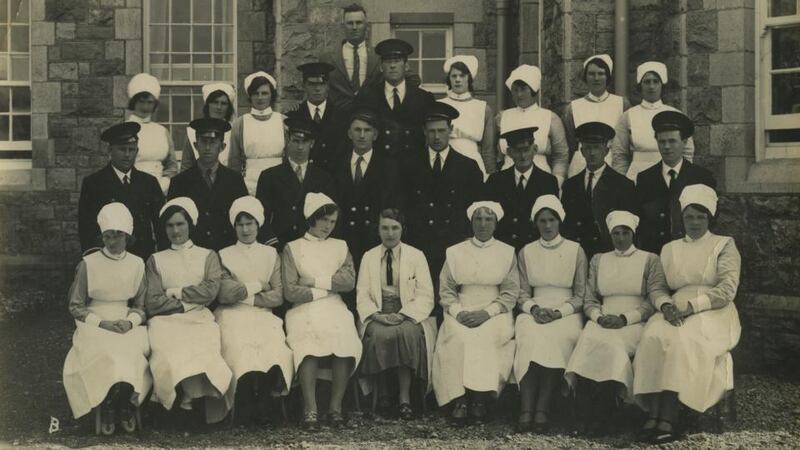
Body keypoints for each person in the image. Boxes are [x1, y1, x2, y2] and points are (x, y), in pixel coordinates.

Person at [633, 185, 741, 444]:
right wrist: (666, 306)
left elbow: (727, 289)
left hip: (713, 311)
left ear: (710, 218)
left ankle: (670, 416)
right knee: (653, 336)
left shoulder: (723, 245)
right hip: (673, 308)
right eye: (689, 217)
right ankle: (653, 412)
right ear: (681, 218)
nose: (694, 222)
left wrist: (691, 307)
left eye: (700, 217)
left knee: (682, 341)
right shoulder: (669, 248)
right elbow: (657, 286)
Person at [564, 210, 668, 436]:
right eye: (616, 233)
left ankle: (603, 414)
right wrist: (599, 317)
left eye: (625, 232)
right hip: (602, 318)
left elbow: (652, 300)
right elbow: (589, 299)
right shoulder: (599, 259)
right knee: (587, 342)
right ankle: (583, 416)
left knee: (612, 347)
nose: (620, 238)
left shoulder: (650, 259)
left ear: (633, 233)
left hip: (633, 321)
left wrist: (624, 319)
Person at [63, 203, 152, 435]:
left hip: (124, 320)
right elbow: (76, 305)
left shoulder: (137, 264)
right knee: (107, 352)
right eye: (108, 236)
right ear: (102, 236)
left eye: (119, 235)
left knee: (133, 351)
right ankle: (107, 403)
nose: (113, 242)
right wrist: (101, 323)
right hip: (94, 322)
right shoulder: (88, 264)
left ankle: (125, 402)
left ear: (128, 235)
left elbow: (141, 306)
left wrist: (129, 322)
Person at [145, 197, 233, 425]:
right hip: (166, 320)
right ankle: (174, 403)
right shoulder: (156, 260)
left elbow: (210, 292)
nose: (175, 230)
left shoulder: (207, 255)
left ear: (190, 224)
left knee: (202, 344)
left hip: (199, 318)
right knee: (168, 346)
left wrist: (174, 292)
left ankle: (194, 400)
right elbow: (153, 302)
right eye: (170, 226)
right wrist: (186, 303)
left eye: (180, 224)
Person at [432, 201, 518, 424]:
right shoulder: (455, 252)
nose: (483, 224)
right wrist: (458, 312)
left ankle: (480, 398)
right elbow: (446, 289)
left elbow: (510, 292)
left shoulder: (507, 252)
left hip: (494, 310)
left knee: (486, 335)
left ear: (496, 223)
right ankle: (459, 398)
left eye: (488, 219)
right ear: (471, 222)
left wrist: (487, 313)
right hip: (462, 306)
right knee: (457, 336)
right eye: (478, 219)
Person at [282, 192, 362, 429]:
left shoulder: (340, 246)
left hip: (334, 306)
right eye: (324, 220)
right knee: (308, 341)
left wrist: (313, 281)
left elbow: (348, 282)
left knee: (344, 337)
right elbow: (290, 291)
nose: (328, 226)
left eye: (333, 221)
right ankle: (311, 409)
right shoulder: (293, 248)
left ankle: (335, 408)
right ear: (311, 218)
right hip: (303, 308)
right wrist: (326, 288)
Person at [213, 196, 294, 425]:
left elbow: (278, 296)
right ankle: (245, 401)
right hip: (231, 313)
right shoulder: (224, 254)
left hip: (263, 314)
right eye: (240, 224)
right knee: (239, 344)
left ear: (258, 224)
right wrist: (259, 287)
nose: (245, 229)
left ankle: (266, 403)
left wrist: (243, 294)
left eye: (250, 223)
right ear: (234, 226)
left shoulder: (271, 255)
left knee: (271, 343)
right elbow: (225, 295)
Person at [400, 102, 483, 318]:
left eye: (441, 130)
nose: (436, 137)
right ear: (423, 132)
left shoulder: (468, 167)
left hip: (454, 247)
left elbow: (474, 213)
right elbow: (402, 207)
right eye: (431, 131)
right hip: (419, 247)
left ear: (451, 130)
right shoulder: (408, 165)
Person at [514, 195, 587, 432]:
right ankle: (526, 408)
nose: (547, 226)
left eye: (552, 220)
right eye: (542, 220)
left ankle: (542, 408)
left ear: (560, 221)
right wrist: (534, 310)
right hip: (534, 308)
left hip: (566, 311)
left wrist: (559, 312)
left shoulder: (576, 250)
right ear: (535, 223)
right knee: (529, 335)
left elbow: (580, 295)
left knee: (556, 337)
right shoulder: (526, 251)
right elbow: (522, 292)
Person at [356, 208, 436, 419]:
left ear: (402, 229)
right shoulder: (369, 257)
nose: (390, 233)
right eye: (385, 228)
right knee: (380, 335)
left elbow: (426, 294)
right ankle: (382, 394)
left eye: (395, 228)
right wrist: (376, 315)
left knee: (406, 334)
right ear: (378, 230)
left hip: (407, 313)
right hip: (379, 313)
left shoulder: (416, 256)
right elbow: (362, 294)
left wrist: (404, 314)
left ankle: (404, 397)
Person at [78, 122, 165, 260]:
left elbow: (161, 226)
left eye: (131, 149)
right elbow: (86, 228)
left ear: (137, 151)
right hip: (109, 258)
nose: (127, 155)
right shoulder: (94, 183)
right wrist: (94, 261)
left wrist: (162, 258)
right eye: (122, 149)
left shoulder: (149, 183)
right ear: (110, 150)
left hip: (143, 257)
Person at [636, 111, 715, 254]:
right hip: (656, 255)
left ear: (684, 142)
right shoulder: (645, 178)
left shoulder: (701, 177)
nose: (667, 147)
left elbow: (711, 221)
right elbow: (640, 224)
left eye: (672, 141)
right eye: (662, 141)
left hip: (691, 254)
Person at [255, 117, 337, 250]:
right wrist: (274, 245)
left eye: (305, 142)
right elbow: (261, 217)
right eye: (296, 141)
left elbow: (331, 216)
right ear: (288, 141)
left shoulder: (323, 178)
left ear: (312, 143)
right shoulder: (269, 176)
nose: (300, 147)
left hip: (313, 247)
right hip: (281, 245)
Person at [333, 108, 400, 269]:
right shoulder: (336, 164)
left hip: (374, 240)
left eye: (367, 130)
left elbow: (393, 205)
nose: (362, 135)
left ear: (375, 135)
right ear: (349, 133)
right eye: (357, 130)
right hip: (343, 239)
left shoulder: (389, 167)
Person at [168, 118, 248, 251]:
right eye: (203, 142)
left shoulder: (235, 180)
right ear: (195, 145)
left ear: (222, 147)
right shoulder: (179, 182)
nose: (207, 148)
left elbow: (243, 217)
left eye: (213, 142)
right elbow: (172, 223)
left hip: (227, 250)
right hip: (192, 252)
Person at [561, 122, 637, 259]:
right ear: (582, 151)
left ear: (606, 151)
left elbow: (628, 228)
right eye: (588, 148)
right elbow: (567, 226)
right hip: (578, 254)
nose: (592, 153)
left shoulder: (623, 185)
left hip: (608, 253)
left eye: (597, 147)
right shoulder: (570, 186)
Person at [354, 38, 436, 163]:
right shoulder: (367, 97)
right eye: (387, 61)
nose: (392, 66)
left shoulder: (424, 99)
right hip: (378, 168)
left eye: (397, 61)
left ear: (406, 66)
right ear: (381, 67)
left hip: (413, 169)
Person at [611, 61, 695, 181]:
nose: (651, 86)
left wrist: (682, 177)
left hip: (668, 176)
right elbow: (619, 154)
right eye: (647, 82)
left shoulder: (675, 114)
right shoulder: (628, 115)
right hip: (636, 177)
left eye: (656, 81)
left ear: (662, 85)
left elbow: (687, 151)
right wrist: (622, 182)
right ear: (640, 85)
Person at [484, 126, 559, 251]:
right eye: (517, 150)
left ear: (535, 149)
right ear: (509, 152)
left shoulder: (548, 182)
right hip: (503, 247)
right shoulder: (495, 181)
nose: (523, 155)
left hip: (535, 248)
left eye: (526, 149)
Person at [496, 64, 569, 185]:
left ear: (534, 90)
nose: (519, 94)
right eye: (515, 89)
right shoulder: (502, 117)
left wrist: (557, 182)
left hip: (541, 180)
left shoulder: (550, 117)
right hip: (507, 180)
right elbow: (494, 154)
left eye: (524, 89)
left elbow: (561, 155)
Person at [562, 54, 631, 178]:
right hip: (581, 166)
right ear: (585, 77)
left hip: (613, 165)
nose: (596, 78)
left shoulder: (621, 104)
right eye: (591, 74)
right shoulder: (573, 108)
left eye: (601, 73)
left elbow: (626, 142)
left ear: (608, 77)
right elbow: (571, 144)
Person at [438, 55, 495, 179]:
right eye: (454, 76)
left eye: (462, 75)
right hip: (445, 162)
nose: (458, 80)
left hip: (473, 164)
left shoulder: (482, 108)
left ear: (469, 78)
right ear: (449, 79)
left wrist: (491, 177)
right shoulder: (439, 105)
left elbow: (488, 150)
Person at [228, 71, 285, 195]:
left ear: (272, 95)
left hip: (280, 182)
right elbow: (234, 162)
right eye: (256, 93)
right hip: (250, 185)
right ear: (250, 96)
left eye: (264, 93)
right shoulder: (240, 124)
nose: (260, 98)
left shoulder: (283, 121)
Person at [286, 62, 349, 174]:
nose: (317, 89)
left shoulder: (341, 115)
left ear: (328, 86)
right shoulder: (294, 115)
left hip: (332, 176)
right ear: (304, 85)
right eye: (312, 84)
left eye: (322, 84)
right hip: (305, 177)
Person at [320, 3, 383, 112]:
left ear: (366, 26)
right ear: (343, 26)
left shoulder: (379, 55)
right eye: (350, 23)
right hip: (338, 117)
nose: (354, 27)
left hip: (370, 117)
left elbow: (409, 78)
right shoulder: (328, 57)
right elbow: (317, 87)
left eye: (359, 23)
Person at [126, 73, 178, 194]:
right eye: (141, 101)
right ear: (133, 102)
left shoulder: (162, 131)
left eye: (150, 102)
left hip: (161, 190)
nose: (145, 107)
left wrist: (164, 183)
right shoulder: (125, 129)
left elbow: (172, 165)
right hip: (132, 189)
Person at [181, 82, 236, 171]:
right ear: (207, 105)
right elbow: (186, 166)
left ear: (229, 108)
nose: (219, 107)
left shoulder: (235, 131)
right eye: (215, 102)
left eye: (223, 103)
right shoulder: (192, 132)